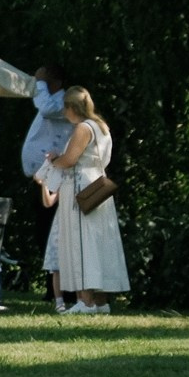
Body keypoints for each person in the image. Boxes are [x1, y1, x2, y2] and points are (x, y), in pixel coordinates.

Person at [36, 86, 129, 314]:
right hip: (98, 184)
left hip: (81, 186)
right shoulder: (101, 127)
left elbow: (70, 160)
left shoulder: (82, 128)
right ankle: (101, 301)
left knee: (81, 243)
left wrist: (54, 161)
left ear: (71, 107)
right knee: (98, 242)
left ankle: (85, 301)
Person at [21, 66, 74, 309]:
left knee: (55, 232)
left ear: (57, 81)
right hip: (44, 175)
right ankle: (53, 287)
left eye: (45, 80)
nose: (39, 83)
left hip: (56, 175)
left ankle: (64, 290)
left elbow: (46, 108)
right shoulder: (51, 101)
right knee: (44, 232)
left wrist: (39, 83)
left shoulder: (63, 102)